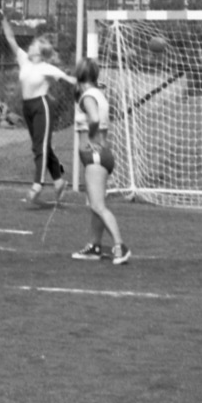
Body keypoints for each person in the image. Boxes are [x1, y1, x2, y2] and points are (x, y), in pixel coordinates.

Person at [0, 11, 76, 206]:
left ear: (40, 52)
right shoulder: (24, 59)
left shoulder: (46, 67)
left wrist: (88, 83)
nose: (30, 45)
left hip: (42, 106)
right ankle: (59, 180)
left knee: (39, 147)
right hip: (27, 108)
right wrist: (4, 21)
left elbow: (69, 79)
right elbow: (10, 39)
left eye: (34, 44)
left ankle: (38, 185)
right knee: (42, 146)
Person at [68, 58, 131, 265]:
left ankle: (120, 246)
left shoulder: (87, 96)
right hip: (102, 155)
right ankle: (94, 246)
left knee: (98, 206)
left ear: (79, 74)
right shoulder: (98, 93)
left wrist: (91, 137)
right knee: (96, 206)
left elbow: (94, 120)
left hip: (95, 155)